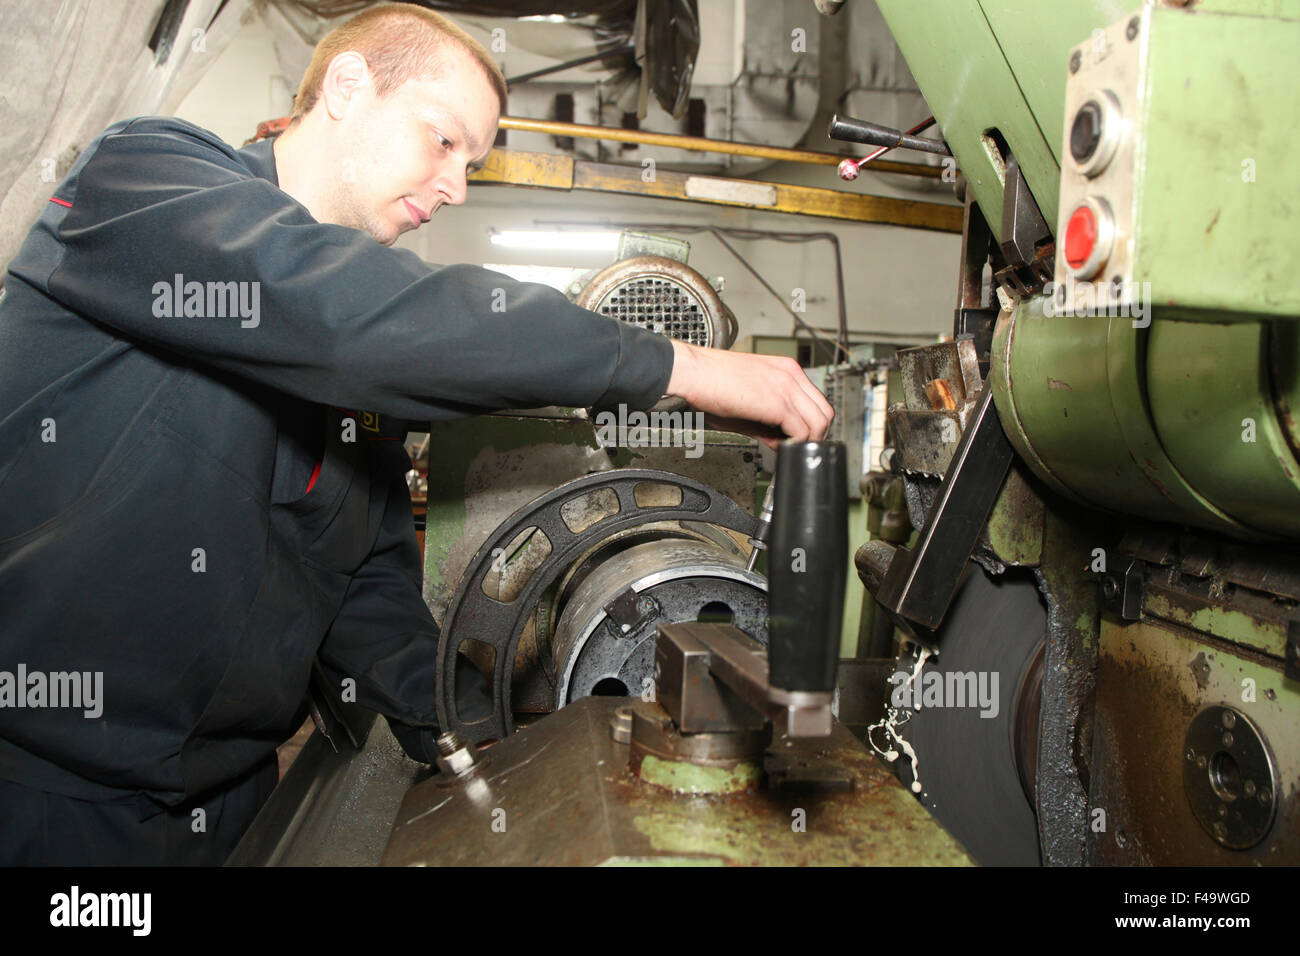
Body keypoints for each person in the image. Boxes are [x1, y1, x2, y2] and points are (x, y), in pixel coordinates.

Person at [0, 3, 831, 865]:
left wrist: (496, 739)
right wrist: (681, 369)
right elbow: (347, 312)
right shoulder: (144, 181)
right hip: (51, 793)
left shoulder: (361, 381)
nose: (456, 187)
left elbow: (366, 597)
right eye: (443, 142)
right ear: (349, 88)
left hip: (224, 806)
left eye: (471, 163)